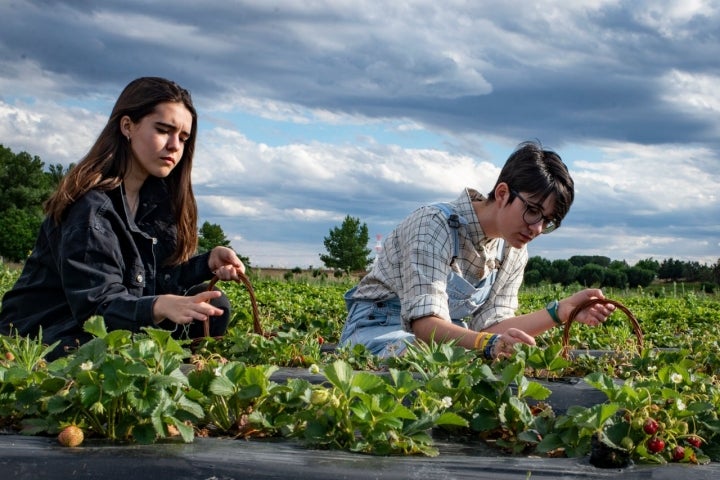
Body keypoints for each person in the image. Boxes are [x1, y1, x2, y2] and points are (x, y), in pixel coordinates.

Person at [0, 77, 245, 360]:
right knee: (103, 348)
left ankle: (171, 371)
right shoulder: (91, 208)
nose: (175, 146)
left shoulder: (155, 200)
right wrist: (157, 306)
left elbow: (152, 279)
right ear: (127, 126)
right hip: (51, 334)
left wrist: (207, 263)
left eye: (183, 137)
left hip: (109, 326)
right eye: (163, 130)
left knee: (213, 306)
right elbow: (96, 307)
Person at [339, 141, 615, 360]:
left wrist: (560, 312)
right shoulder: (434, 224)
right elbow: (425, 325)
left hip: (442, 341)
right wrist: (486, 344)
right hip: (378, 329)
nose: (537, 228)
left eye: (548, 221)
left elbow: (490, 329)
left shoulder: (512, 251)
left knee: (482, 360)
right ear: (503, 193)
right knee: (434, 360)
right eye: (533, 211)